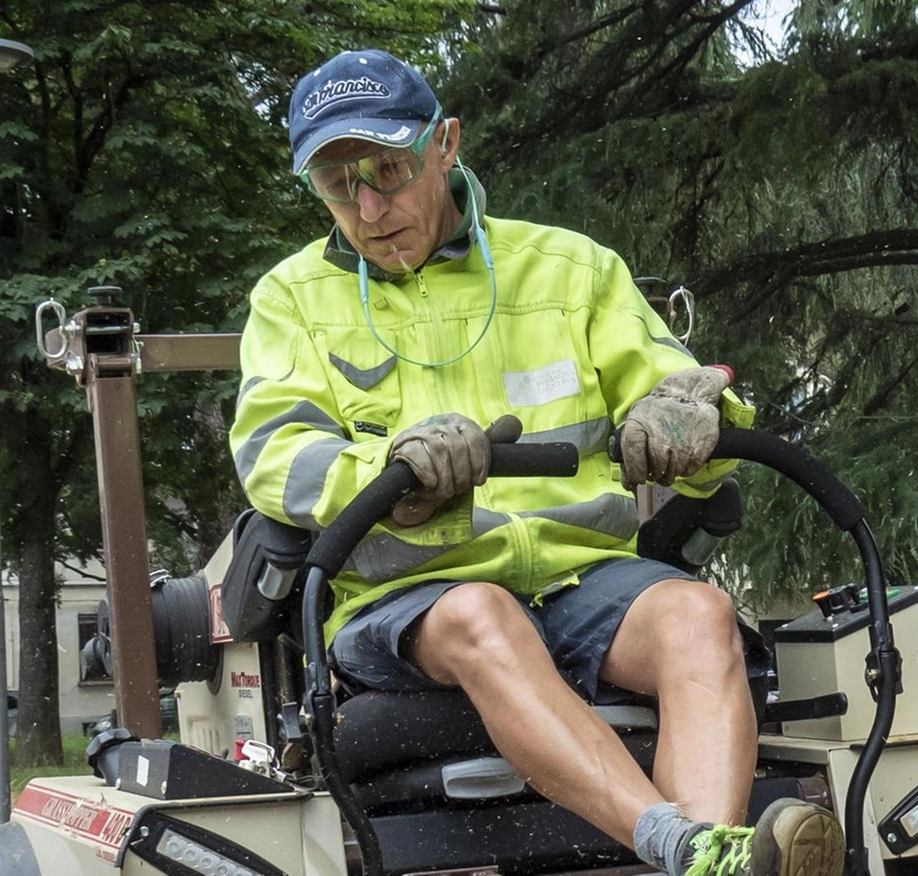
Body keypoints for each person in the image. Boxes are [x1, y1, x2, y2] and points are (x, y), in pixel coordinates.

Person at [229, 48, 845, 876]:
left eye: (389, 168)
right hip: (406, 597)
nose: (370, 206)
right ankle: (678, 843)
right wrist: (393, 476)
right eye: (339, 186)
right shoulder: (291, 299)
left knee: (699, 616)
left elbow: (676, 394)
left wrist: (692, 415)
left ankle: (711, 862)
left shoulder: (571, 270)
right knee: (483, 612)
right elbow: (276, 455)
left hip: (584, 576)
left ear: (446, 143)